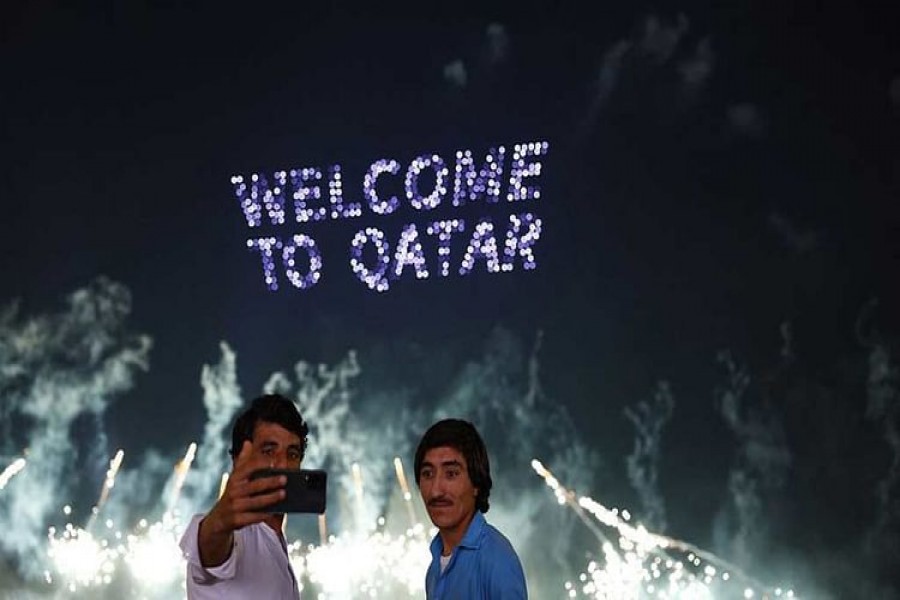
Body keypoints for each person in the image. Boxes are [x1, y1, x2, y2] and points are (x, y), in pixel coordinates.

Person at [179, 394, 309, 599]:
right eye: (268, 451)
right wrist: (220, 521)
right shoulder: (237, 535)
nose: (283, 464)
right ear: (239, 459)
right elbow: (210, 546)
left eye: (292, 454)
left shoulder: (276, 539)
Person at [414, 418, 527, 599]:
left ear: (476, 483)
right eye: (427, 474)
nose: (435, 491)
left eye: (451, 474)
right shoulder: (434, 570)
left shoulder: (496, 560)